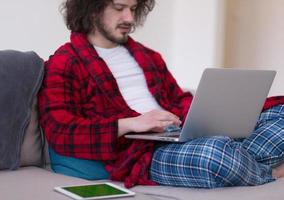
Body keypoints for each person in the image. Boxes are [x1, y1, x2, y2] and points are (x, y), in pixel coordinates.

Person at [38, 0, 284, 188]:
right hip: (143, 153)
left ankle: (237, 155)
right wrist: (131, 124)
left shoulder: (148, 56)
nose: (129, 18)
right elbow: (61, 131)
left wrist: (212, 116)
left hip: (179, 134)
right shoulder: (65, 62)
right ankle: (269, 173)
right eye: (120, 8)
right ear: (91, 8)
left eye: (134, 8)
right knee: (214, 153)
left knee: (278, 112)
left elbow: (179, 100)